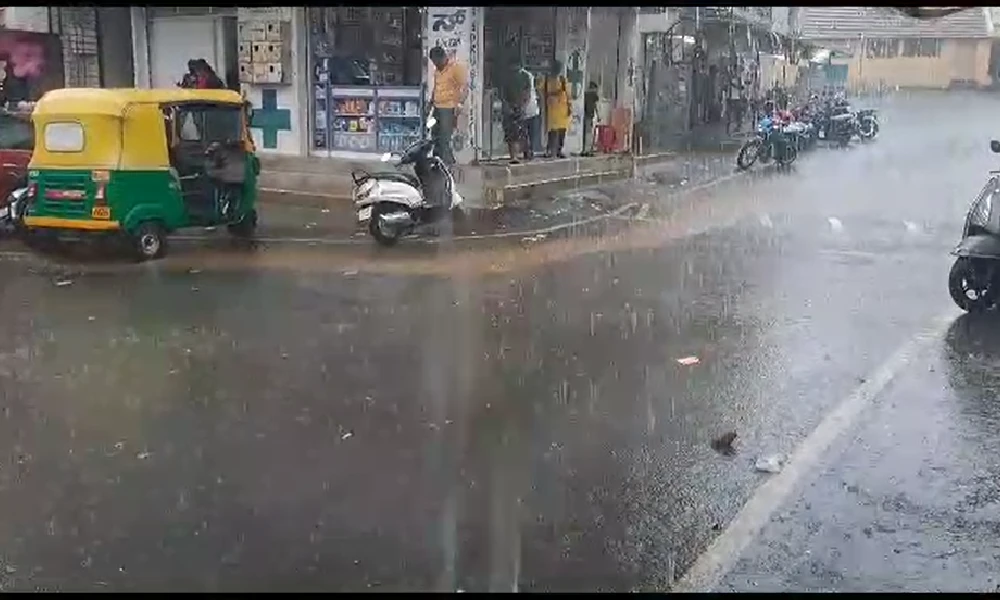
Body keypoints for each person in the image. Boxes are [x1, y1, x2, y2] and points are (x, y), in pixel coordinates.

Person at [428, 46, 468, 166]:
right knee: (435, 135)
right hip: (437, 107)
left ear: (443, 57)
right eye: (433, 62)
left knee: (445, 137)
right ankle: (437, 161)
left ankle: (446, 164)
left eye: (436, 61)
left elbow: (464, 88)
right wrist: (430, 103)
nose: (435, 64)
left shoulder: (455, 68)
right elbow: (436, 87)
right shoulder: (437, 70)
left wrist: (460, 104)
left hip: (449, 108)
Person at [542, 59, 570, 159]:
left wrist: (570, 107)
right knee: (552, 131)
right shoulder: (547, 80)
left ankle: (559, 150)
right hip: (552, 109)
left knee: (562, 130)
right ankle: (549, 150)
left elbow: (568, 94)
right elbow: (543, 92)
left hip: (563, 109)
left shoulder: (562, 80)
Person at [519, 63, 540, 161]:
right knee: (529, 133)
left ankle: (528, 151)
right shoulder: (528, 76)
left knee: (525, 132)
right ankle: (528, 151)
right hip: (531, 109)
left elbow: (527, 94)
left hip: (528, 109)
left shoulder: (525, 76)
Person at [582, 81, 599, 155]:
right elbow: (596, 106)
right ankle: (587, 150)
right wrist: (598, 115)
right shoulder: (593, 95)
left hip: (585, 114)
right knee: (588, 133)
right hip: (589, 115)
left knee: (585, 132)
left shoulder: (585, 94)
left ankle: (584, 149)